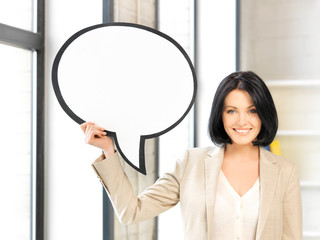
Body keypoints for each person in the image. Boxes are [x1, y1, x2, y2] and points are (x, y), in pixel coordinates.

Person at [81, 71, 302, 240]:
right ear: (220, 115)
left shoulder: (285, 171)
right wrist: (108, 151)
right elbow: (131, 211)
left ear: (264, 114)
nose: (242, 121)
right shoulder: (191, 164)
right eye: (231, 111)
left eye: (252, 111)